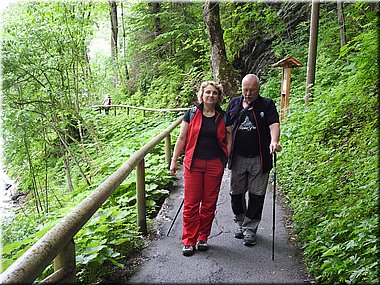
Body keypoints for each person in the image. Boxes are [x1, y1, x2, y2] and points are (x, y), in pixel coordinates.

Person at [170, 81, 231, 256]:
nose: (211, 96)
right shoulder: (191, 114)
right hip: (193, 164)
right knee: (191, 203)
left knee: (209, 204)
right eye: (208, 92)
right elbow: (182, 138)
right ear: (202, 95)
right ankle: (189, 240)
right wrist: (174, 161)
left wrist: (225, 158)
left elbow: (229, 140)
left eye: (214, 93)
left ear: (218, 97)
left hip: (214, 164)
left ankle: (202, 237)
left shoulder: (224, 116)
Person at [225, 74, 281, 246]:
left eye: (252, 90)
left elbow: (274, 124)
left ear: (259, 89)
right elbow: (225, 126)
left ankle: (250, 229)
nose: (248, 93)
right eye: (245, 90)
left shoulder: (267, 104)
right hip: (238, 156)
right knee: (236, 193)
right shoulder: (234, 103)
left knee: (257, 195)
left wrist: (274, 141)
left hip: (259, 157)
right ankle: (240, 223)